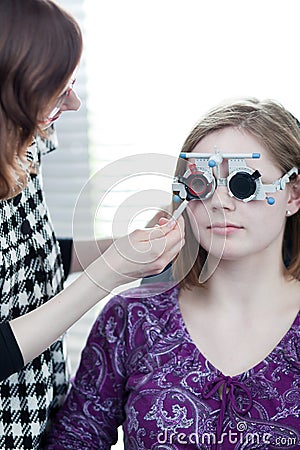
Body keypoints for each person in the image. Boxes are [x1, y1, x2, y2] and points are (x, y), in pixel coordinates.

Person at [46, 98, 300, 449]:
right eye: (202, 184)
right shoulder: (130, 320)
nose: (220, 203)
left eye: (244, 184)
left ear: (293, 195)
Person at [0, 0, 184, 448]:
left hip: (44, 422)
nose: (75, 103)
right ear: (15, 95)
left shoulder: (28, 142)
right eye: (59, 91)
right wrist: (109, 275)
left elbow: (28, 256)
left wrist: (121, 245)